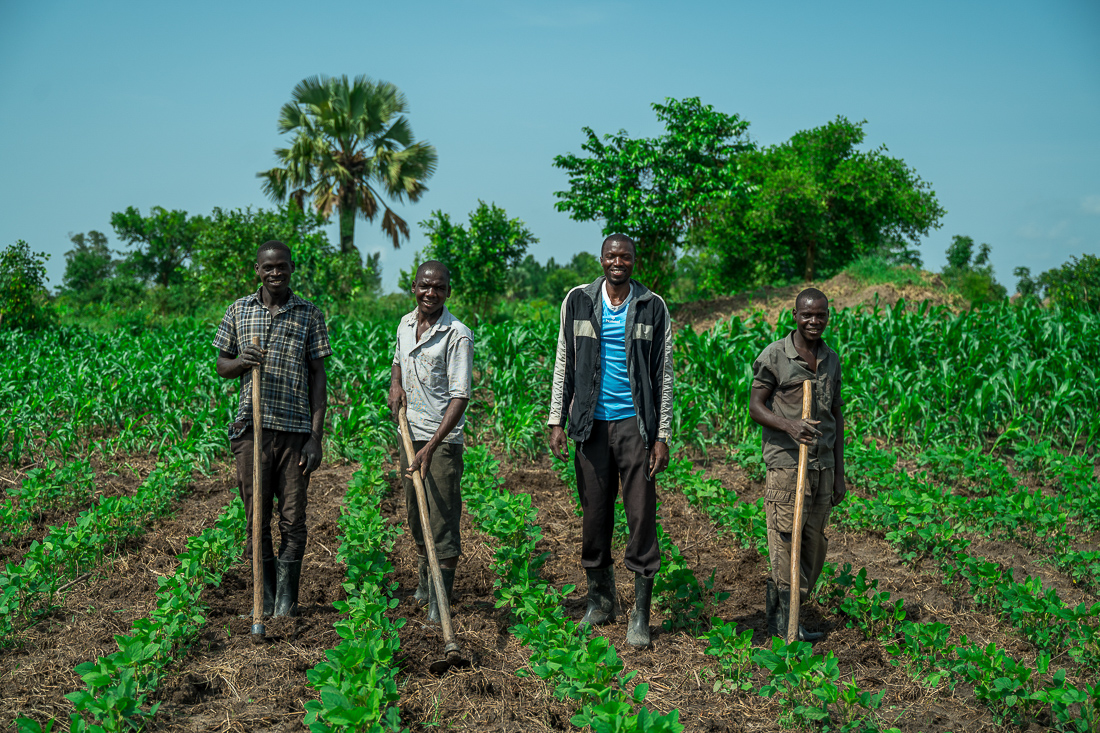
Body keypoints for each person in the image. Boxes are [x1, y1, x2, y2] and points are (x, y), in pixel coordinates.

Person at [548, 233, 673, 649]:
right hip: (590, 426)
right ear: (601, 259)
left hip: (636, 428)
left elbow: (663, 374)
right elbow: (564, 360)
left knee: (641, 519)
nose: (618, 262)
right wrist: (555, 419)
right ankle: (600, 601)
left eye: (626, 256)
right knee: (594, 517)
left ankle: (640, 613)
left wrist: (662, 435)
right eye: (611, 255)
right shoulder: (578, 301)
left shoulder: (652, 306)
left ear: (635, 261)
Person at [213, 240, 331, 618]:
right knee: (256, 518)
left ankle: (286, 602)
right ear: (257, 270)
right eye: (268, 267)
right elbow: (221, 364)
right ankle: (263, 599)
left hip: (295, 434)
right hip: (252, 431)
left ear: (291, 268)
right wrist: (241, 362)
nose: (275, 273)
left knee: (293, 519)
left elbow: (318, 378)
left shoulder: (308, 314)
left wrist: (316, 437)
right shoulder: (239, 311)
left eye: (282, 266)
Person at [749, 288, 846, 641]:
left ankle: (792, 613)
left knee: (813, 544)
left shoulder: (831, 359)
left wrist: (840, 473)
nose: (814, 321)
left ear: (827, 317)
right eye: (807, 315)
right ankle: (782, 624)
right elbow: (756, 407)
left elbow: (836, 412)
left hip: (822, 466)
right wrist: (791, 426)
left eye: (820, 315)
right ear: (795, 315)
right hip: (788, 465)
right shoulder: (776, 355)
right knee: (785, 540)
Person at [388, 261, 473, 623]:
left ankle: (441, 601)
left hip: (441, 442)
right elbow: (398, 362)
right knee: (415, 518)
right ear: (414, 286)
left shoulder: (457, 334)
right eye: (425, 286)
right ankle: (425, 585)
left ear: (448, 292)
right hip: (411, 436)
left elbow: (460, 397)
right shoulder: (406, 324)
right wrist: (395, 384)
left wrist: (432, 446)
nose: (431, 293)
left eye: (439, 288)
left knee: (441, 524)